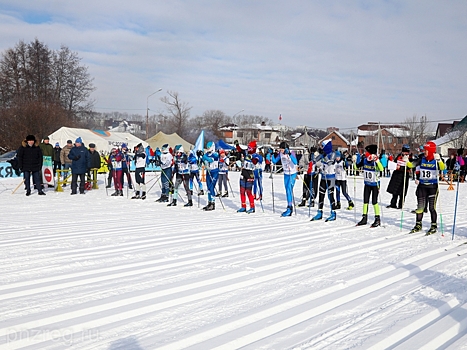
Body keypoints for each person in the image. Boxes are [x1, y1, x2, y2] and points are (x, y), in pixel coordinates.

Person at [407, 141, 445, 234]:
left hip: (432, 187)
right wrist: (406, 161)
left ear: (431, 151)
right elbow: (411, 165)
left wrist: (439, 160)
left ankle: (433, 225)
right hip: (422, 186)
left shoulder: (436, 160)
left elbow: (443, 168)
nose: (425, 152)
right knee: (420, 207)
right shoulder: (421, 159)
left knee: (432, 207)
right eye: (424, 150)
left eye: (426, 150)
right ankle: (418, 224)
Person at [356, 144, 383, 227]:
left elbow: (381, 169)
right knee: (365, 201)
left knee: (374, 201)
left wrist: (377, 161)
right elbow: (357, 167)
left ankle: (377, 219)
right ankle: (364, 218)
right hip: (367, 183)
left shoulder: (375, 161)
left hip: (375, 184)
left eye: (367, 152)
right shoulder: (364, 160)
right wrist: (354, 161)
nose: (366, 153)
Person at [311, 140, 337, 221]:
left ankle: (333, 213)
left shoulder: (333, 153)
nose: (321, 148)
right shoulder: (322, 154)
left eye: (322, 146)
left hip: (331, 178)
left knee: (330, 196)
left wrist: (324, 156)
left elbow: (330, 163)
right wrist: (313, 154)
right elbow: (314, 160)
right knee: (321, 195)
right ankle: (319, 212)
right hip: (323, 177)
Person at [272, 141, 297, 217]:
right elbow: (275, 161)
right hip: (286, 174)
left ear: (286, 148)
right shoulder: (280, 154)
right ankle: (289, 206)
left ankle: (290, 208)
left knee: (289, 189)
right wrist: (271, 155)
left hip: (292, 174)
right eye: (280, 149)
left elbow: (295, 162)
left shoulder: (292, 152)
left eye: (282, 150)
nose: (281, 151)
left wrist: (289, 154)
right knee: (287, 190)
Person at [386, 144, 411, 209]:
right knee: (395, 190)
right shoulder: (399, 156)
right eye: (403, 152)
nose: (405, 153)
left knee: (402, 190)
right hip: (397, 174)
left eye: (406, 152)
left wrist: (402, 167)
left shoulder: (410, 158)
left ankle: (400, 205)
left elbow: (410, 167)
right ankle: (393, 204)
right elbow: (395, 163)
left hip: (404, 175)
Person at [236, 141, 255, 214]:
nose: (248, 148)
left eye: (250, 147)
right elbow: (240, 150)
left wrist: (252, 159)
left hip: (250, 174)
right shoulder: (246, 152)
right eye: (248, 147)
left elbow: (257, 161)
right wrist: (237, 145)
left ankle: (252, 207)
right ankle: (243, 206)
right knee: (242, 191)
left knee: (249, 192)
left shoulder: (255, 155)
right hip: (243, 173)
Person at [202, 141, 220, 211]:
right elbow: (204, 160)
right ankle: (209, 202)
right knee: (208, 188)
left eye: (209, 147)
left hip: (214, 172)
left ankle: (213, 204)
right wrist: (200, 156)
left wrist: (204, 157)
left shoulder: (215, 154)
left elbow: (210, 160)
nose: (208, 149)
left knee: (212, 187)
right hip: (208, 172)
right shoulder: (206, 154)